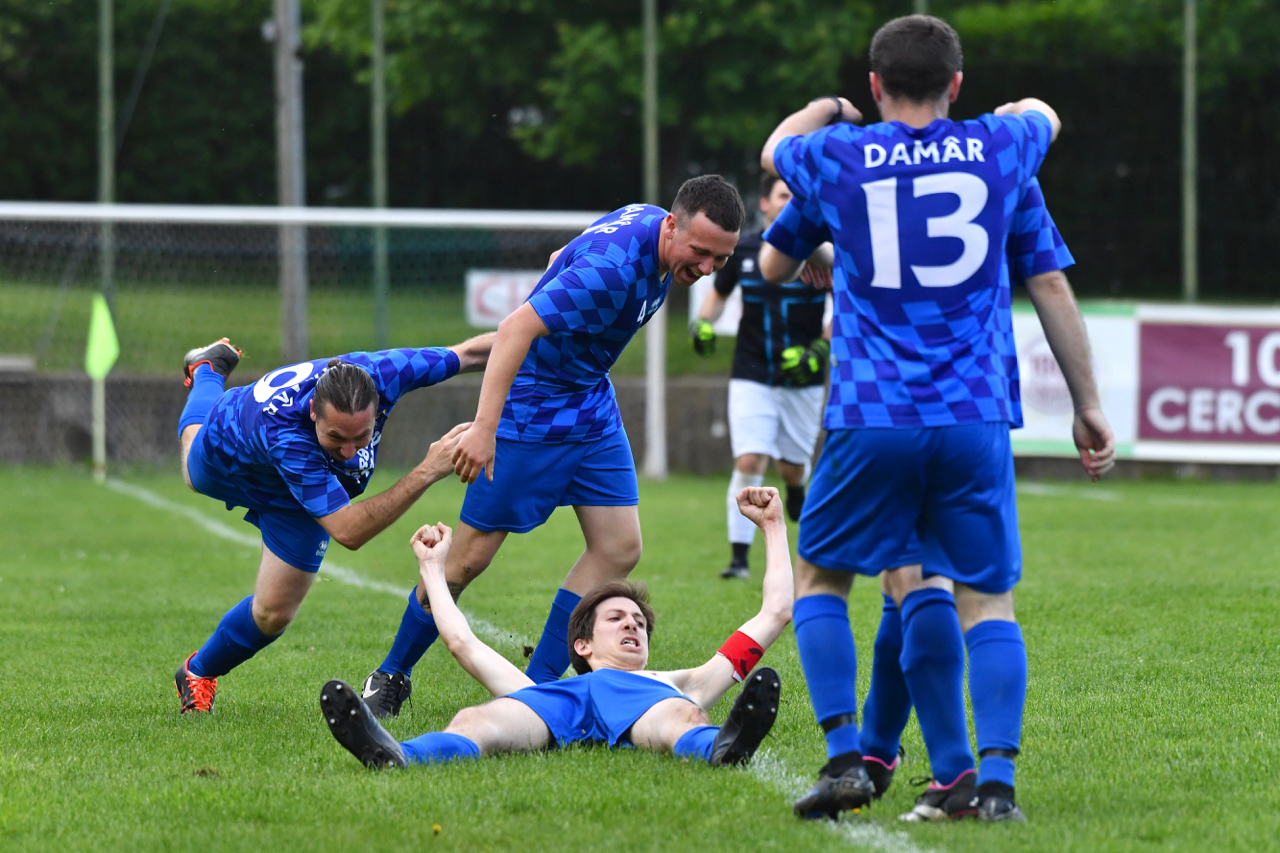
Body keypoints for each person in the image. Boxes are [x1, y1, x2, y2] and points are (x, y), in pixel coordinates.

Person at [757, 15, 1115, 823]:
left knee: (824, 578)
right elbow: (1049, 268)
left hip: (873, 412)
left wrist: (828, 109)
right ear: (956, 84)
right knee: (985, 598)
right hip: (971, 413)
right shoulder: (1002, 152)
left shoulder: (841, 157)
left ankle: (848, 756)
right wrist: (1088, 406)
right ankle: (995, 783)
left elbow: (776, 163)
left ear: (876, 85)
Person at [360, 175, 746, 716]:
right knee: (467, 561)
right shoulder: (612, 273)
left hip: (591, 403)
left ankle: (539, 688)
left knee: (618, 547)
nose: (706, 268)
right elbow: (514, 328)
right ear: (670, 226)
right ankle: (391, 673)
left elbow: (559, 256)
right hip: (535, 410)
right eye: (699, 252)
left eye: (720, 260)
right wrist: (484, 429)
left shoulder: (645, 220)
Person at [320, 486, 792, 772]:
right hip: (554, 710)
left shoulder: (677, 684)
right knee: (472, 721)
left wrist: (773, 527)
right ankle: (398, 754)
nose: (632, 623)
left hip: (647, 707)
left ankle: (722, 748)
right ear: (581, 645)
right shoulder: (539, 690)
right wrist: (432, 567)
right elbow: (461, 641)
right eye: (616, 618)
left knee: (685, 718)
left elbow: (775, 613)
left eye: (639, 622)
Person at [172, 334, 492, 714]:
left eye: (362, 436)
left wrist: (540, 336)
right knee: (191, 468)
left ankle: (194, 671)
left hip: (303, 486)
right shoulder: (286, 434)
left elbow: (470, 353)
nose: (349, 451)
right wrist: (426, 471)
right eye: (336, 437)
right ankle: (207, 372)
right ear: (313, 412)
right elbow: (348, 531)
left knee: (273, 614)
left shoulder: (387, 372)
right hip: (229, 456)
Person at [690, 172, 830, 579]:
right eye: (782, 195)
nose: (789, 202)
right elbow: (718, 294)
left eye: (795, 197)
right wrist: (703, 323)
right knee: (750, 458)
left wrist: (818, 350)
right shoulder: (744, 247)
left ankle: (796, 487)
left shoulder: (820, 253)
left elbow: (849, 306)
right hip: (751, 371)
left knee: (791, 467)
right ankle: (739, 560)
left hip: (802, 378)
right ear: (765, 203)